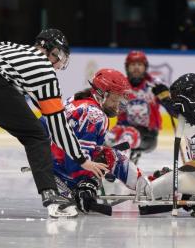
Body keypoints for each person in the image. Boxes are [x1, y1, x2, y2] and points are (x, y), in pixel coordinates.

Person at [0, 28, 109, 218]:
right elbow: (57, 125)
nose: (59, 65)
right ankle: (51, 197)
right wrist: (82, 159)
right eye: (61, 58)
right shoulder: (44, 69)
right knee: (36, 136)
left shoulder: (7, 46)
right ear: (54, 52)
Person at [45, 68, 151, 214]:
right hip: (62, 170)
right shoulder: (95, 114)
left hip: (49, 163)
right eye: (116, 98)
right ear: (102, 93)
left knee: (104, 151)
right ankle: (146, 188)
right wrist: (85, 185)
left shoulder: (74, 100)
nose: (119, 105)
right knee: (111, 156)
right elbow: (78, 155)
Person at [112, 50, 173, 164]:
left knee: (128, 136)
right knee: (108, 138)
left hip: (147, 136)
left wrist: (166, 98)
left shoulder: (155, 85)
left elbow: (173, 111)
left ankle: (122, 165)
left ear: (145, 67)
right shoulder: (121, 86)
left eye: (139, 64)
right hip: (123, 130)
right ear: (127, 67)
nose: (136, 68)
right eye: (133, 65)